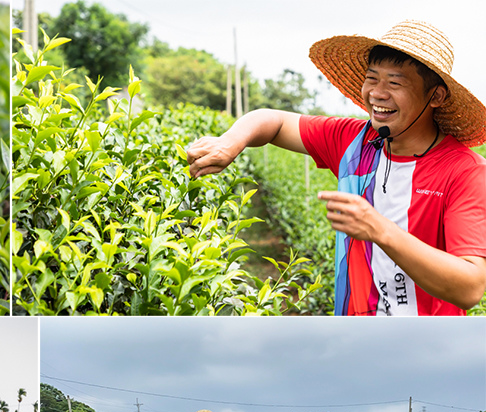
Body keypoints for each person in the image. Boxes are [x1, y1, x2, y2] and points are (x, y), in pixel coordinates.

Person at [186, 20, 486, 315]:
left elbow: (469, 288)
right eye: (372, 78)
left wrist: (379, 229)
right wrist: (230, 141)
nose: (377, 94)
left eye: (395, 82)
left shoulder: (464, 172)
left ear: (435, 96)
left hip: (425, 348)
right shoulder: (354, 142)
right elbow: (272, 120)